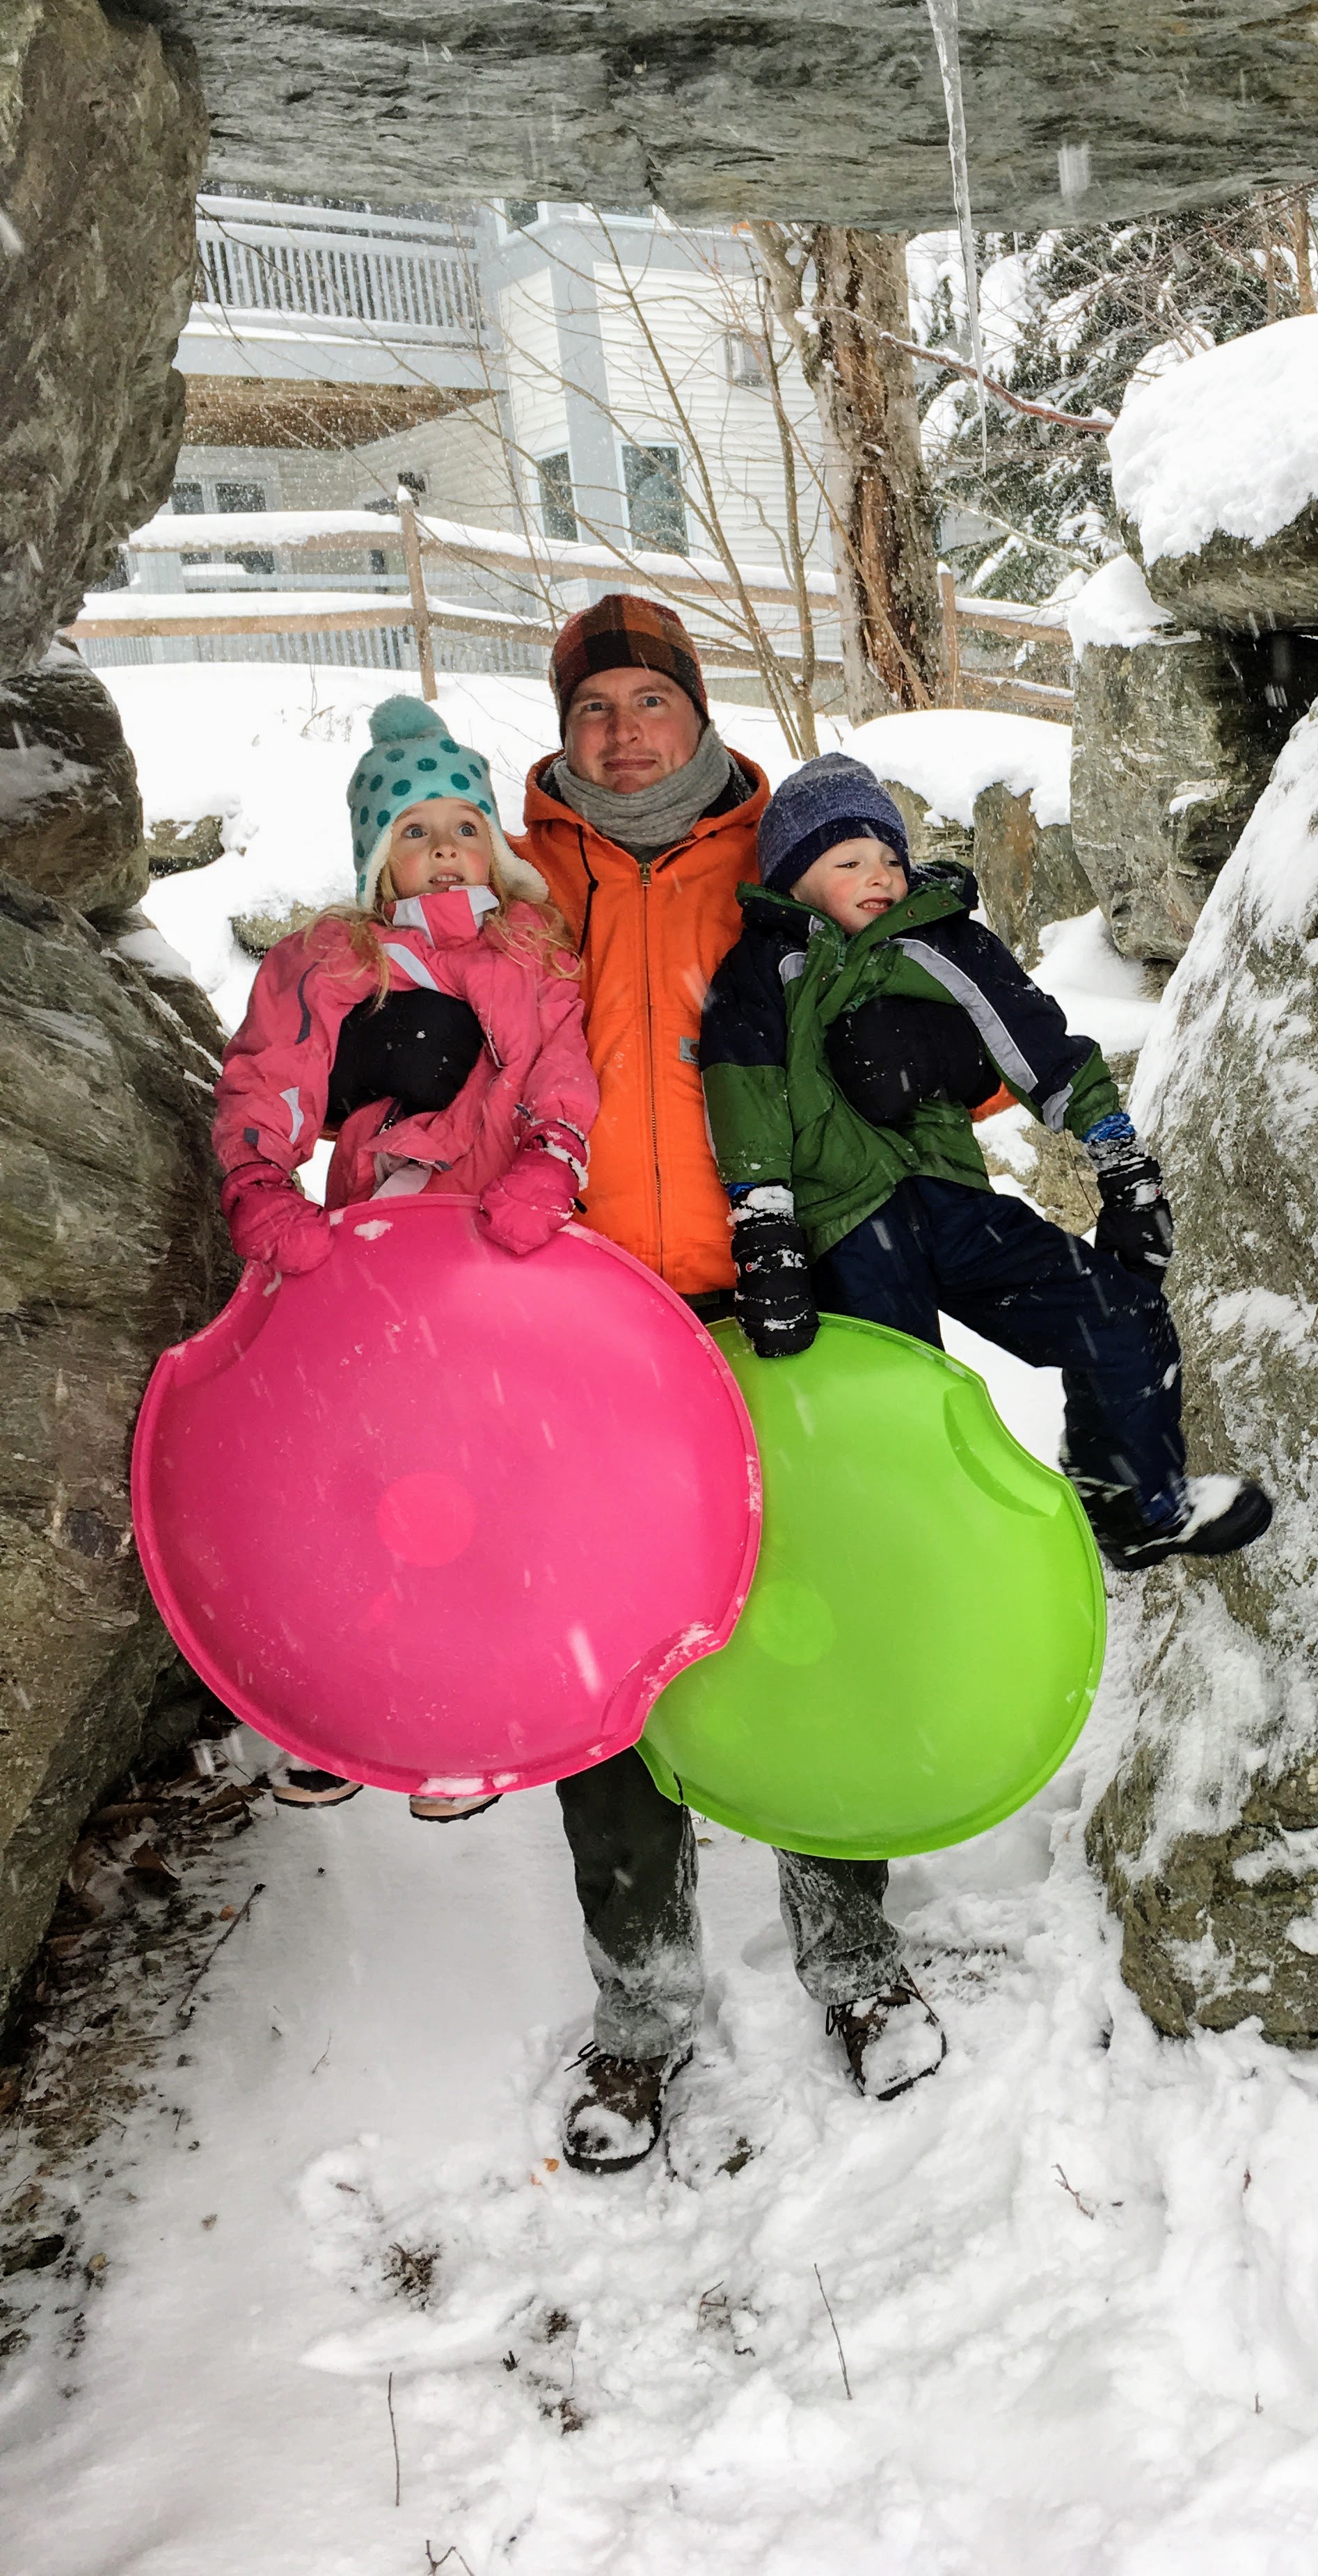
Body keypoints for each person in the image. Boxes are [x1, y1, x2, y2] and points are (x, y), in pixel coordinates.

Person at [518, 598, 952, 2172]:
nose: (625, 733)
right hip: (585, 1330)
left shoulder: (788, 859)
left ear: (697, 714)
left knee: (809, 1627)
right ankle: (642, 2014)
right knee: (610, 1665)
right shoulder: (510, 886)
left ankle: (852, 1959)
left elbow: (935, 1008)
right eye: (597, 711)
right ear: (566, 731)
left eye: (652, 701)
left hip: (786, 1301)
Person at [705, 751, 1273, 1571]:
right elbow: (745, 1094)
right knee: (905, 1407)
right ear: (793, 878)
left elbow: (1038, 1043)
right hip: (848, 1224)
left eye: (891, 858)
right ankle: (926, 1573)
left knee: (1119, 1316)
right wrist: (766, 1230)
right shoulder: (764, 969)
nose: (881, 876)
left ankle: (1134, 1503)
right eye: (849, 860)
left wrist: (1120, 1158)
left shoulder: (942, 942)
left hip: (953, 1201)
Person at [211, 694, 597, 1823]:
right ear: (380, 856)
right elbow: (269, 1074)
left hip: (501, 1252)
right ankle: (350, 1704)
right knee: (372, 1471)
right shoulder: (335, 956)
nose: (443, 847)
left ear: (494, 840)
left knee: (493, 1473)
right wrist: (261, 1187)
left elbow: (558, 1071)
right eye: (415, 829)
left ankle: (473, 1711)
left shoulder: (532, 949)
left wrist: (549, 1165)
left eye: (463, 824)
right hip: (374, 1243)